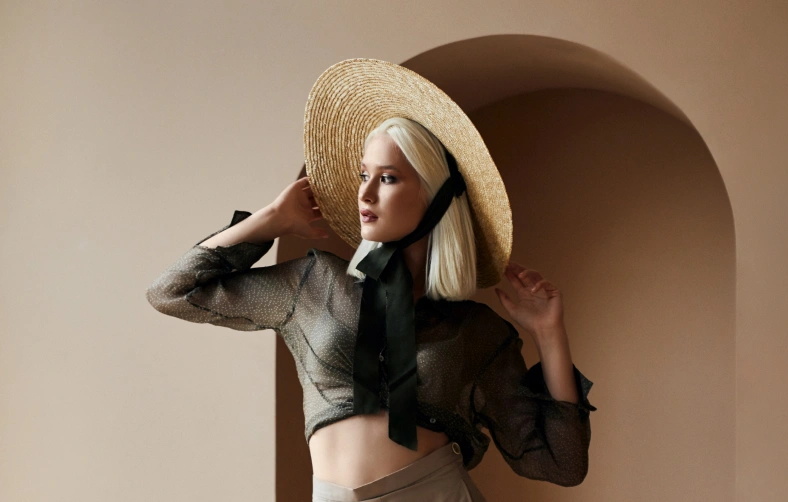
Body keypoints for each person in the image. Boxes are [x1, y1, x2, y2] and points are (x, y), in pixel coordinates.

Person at [146, 59, 595, 502]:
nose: (365, 192)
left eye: (388, 178)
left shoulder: (477, 332)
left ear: (435, 197)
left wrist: (549, 334)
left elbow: (561, 464)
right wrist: (270, 220)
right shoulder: (315, 285)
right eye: (365, 175)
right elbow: (173, 292)